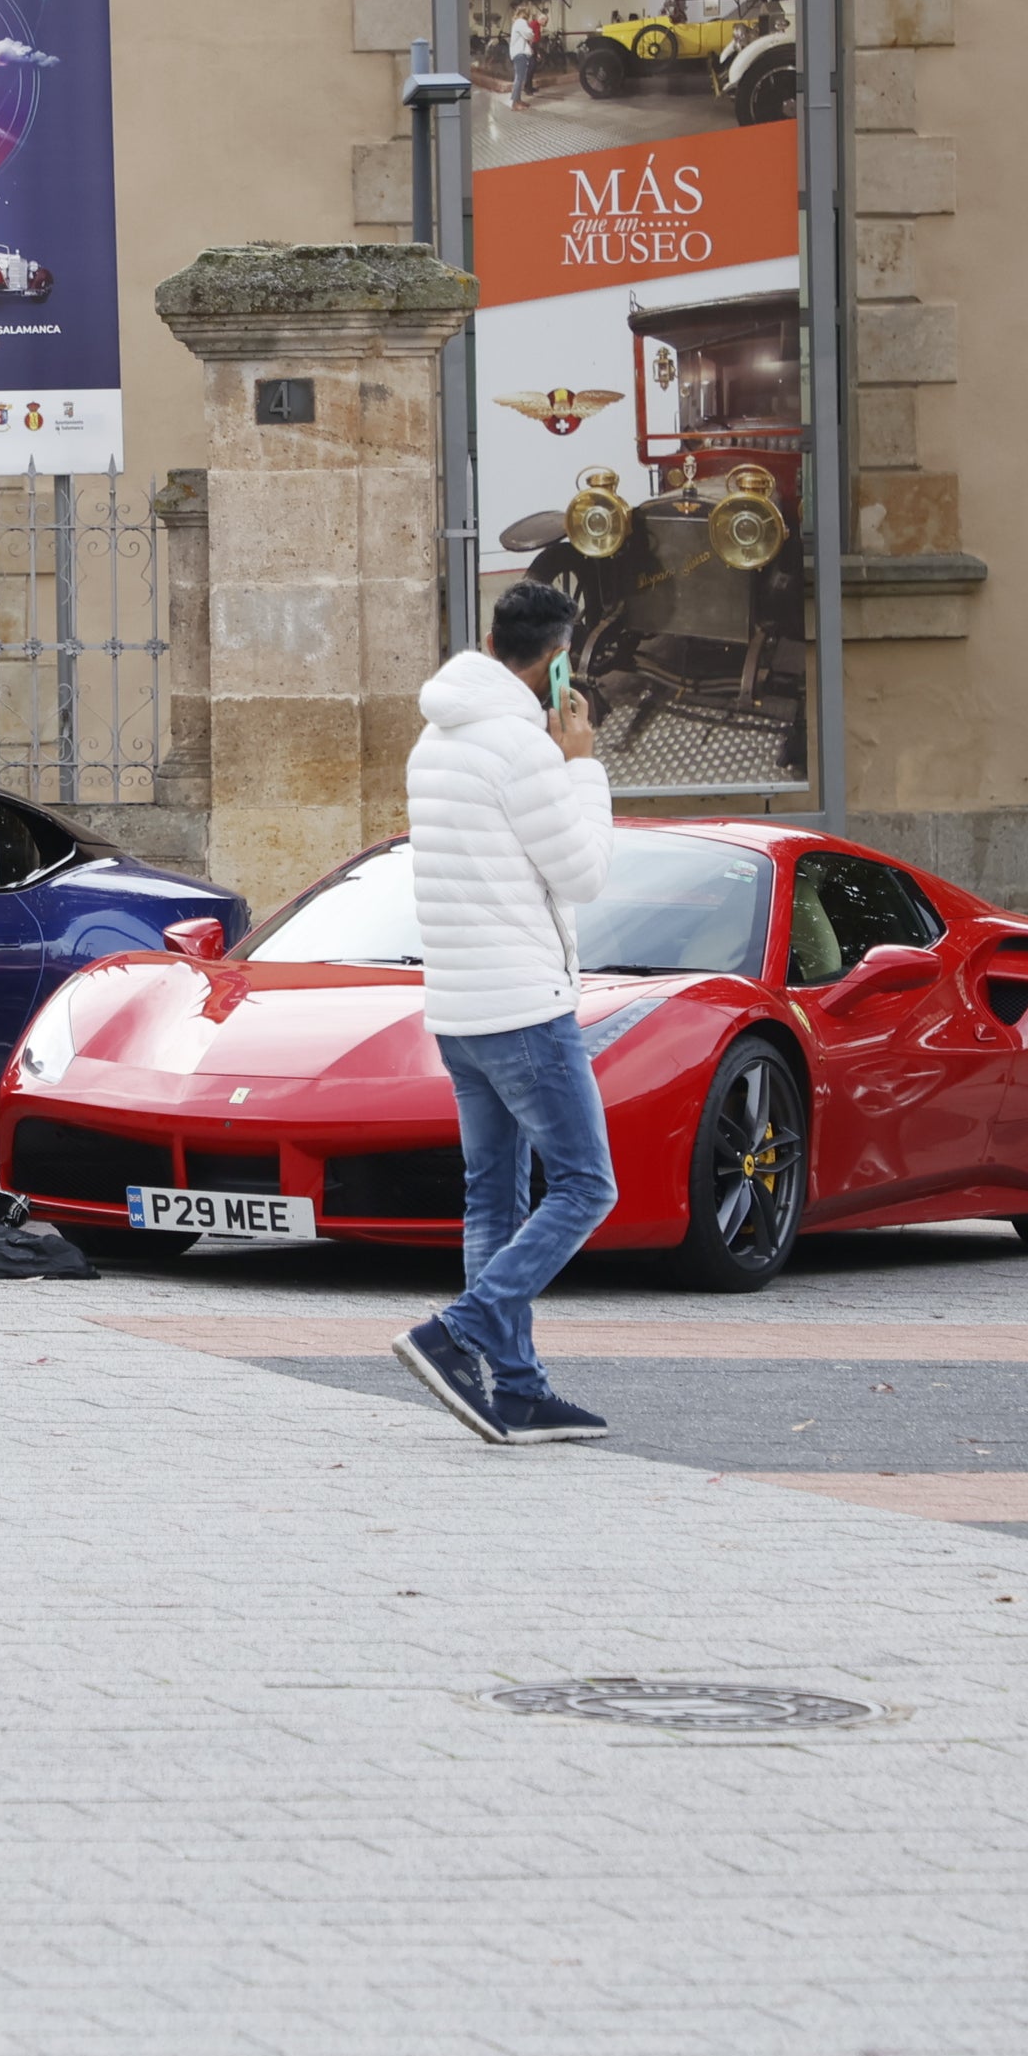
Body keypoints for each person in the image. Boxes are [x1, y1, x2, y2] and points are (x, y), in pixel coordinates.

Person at [389, 580, 620, 1444]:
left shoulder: (434, 739)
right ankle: (463, 1330)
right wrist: (584, 761)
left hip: (458, 1007)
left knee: (494, 1193)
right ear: (558, 664)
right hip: (525, 1007)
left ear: (491, 640)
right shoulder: (524, 751)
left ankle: (515, 1388)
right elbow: (585, 875)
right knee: (587, 1184)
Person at [507, 3, 539, 110]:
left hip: (519, 53)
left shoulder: (517, 22)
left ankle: (518, 100)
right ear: (524, 13)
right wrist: (532, 34)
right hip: (520, 53)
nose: (528, 15)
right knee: (519, 78)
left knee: (520, 78)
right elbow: (530, 34)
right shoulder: (521, 22)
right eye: (528, 13)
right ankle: (515, 104)